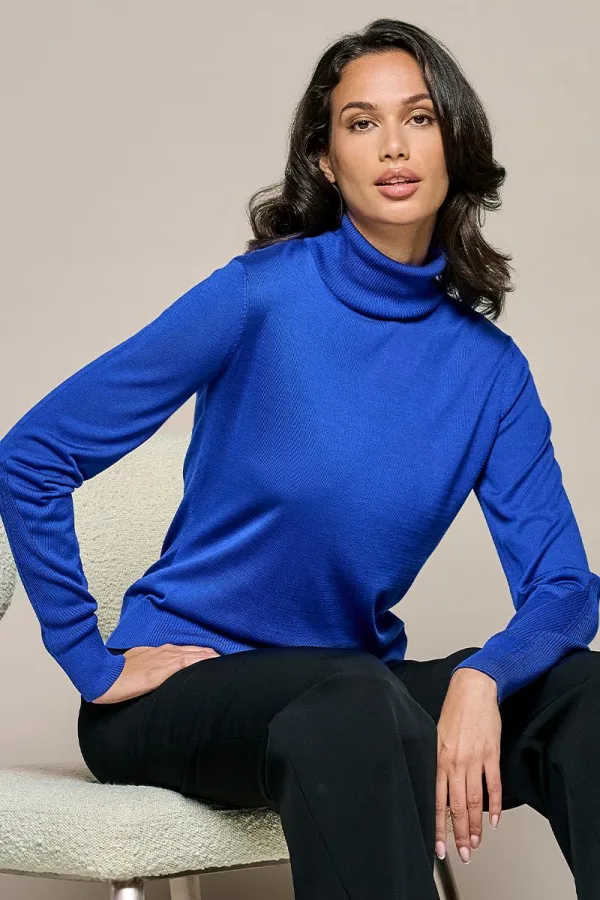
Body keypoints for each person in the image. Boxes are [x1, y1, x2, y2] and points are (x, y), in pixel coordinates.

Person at [1, 16, 599, 899]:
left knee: (581, 696)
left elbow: (566, 589)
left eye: (420, 117)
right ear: (325, 159)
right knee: (356, 701)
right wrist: (91, 661)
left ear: (455, 144)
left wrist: (483, 677)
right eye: (361, 123)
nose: (393, 146)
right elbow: (32, 456)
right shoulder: (259, 297)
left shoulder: (490, 373)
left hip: (354, 695)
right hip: (184, 697)